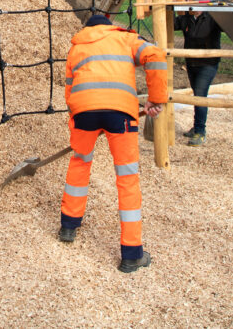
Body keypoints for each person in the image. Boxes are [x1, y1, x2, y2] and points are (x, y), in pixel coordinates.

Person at [59, 14, 167, 273]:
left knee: (79, 164)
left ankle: (68, 227)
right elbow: (156, 56)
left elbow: (69, 90)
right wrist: (156, 99)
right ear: (110, 26)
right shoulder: (126, 38)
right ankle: (131, 255)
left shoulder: (76, 47)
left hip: (84, 111)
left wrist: (82, 120)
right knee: (127, 177)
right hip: (121, 113)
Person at [174, 10, 223, 146]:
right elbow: (171, 24)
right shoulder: (187, 18)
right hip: (192, 63)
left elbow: (228, 27)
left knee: (200, 96)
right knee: (197, 94)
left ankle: (201, 132)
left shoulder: (211, 18)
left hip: (208, 64)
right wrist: (169, 7)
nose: (189, 5)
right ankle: (196, 127)